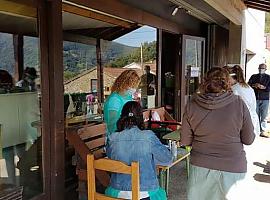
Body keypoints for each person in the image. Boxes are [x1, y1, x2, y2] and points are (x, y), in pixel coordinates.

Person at [181, 67, 255, 200]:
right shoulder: (239, 104)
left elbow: (185, 141)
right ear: (227, 83)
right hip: (233, 166)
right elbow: (249, 139)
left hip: (200, 165)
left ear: (205, 82)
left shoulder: (192, 104)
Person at [105, 101, 172, 200]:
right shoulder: (148, 136)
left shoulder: (112, 138)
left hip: (117, 192)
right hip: (145, 193)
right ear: (140, 117)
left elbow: (111, 158)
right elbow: (167, 160)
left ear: (122, 117)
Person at [104, 69, 140, 135]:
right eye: (132, 85)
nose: (134, 88)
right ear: (124, 83)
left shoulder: (128, 97)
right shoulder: (114, 99)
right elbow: (112, 124)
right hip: (117, 138)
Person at [228, 65, 260, 136]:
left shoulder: (234, 89)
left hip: (243, 121)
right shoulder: (247, 87)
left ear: (231, 77)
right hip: (251, 120)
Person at [248, 63, 270, 137]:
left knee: (264, 116)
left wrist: (263, 87)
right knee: (255, 114)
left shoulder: (268, 77)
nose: (261, 70)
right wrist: (254, 85)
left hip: (265, 99)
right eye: (260, 68)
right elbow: (248, 85)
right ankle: (255, 130)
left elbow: (269, 88)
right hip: (255, 98)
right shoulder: (254, 76)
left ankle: (263, 130)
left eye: (262, 68)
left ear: (265, 69)